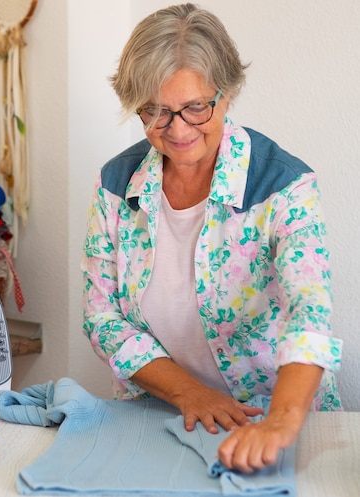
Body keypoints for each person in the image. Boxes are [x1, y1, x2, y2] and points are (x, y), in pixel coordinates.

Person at [81, 3, 343, 474]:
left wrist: (280, 422)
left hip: (269, 418)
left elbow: (311, 312)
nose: (177, 129)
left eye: (196, 107)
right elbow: (103, 317)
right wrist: (190, 392)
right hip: (164, 415)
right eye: (155, 111)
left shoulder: (284, 185)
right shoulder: (117, 186)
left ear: (228, 94)